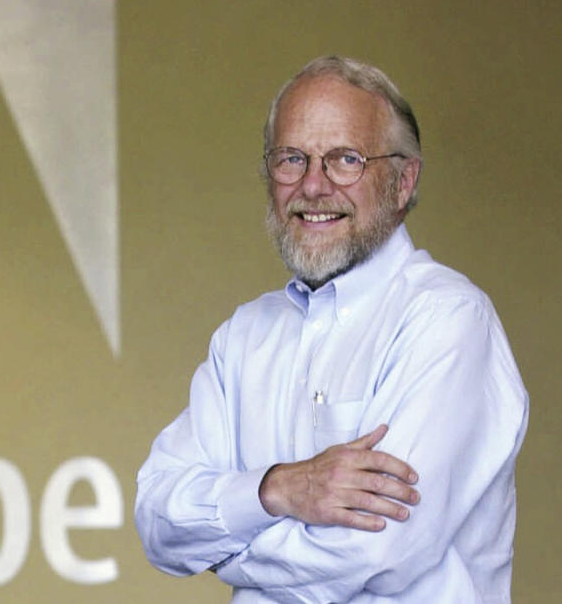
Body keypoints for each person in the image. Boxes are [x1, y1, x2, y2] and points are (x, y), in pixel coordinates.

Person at [134, 55, 528, 603]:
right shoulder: (244, 336)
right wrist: (277, 489)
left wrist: (226, 549)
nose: (313, 186)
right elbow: (158, 521)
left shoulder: (449, 321)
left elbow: (375, 555)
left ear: (402, 181)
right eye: (292, 158)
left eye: (346, 160)